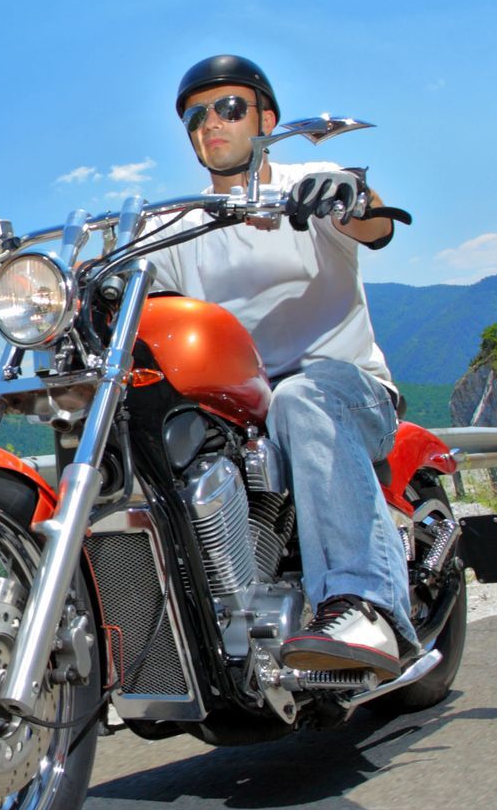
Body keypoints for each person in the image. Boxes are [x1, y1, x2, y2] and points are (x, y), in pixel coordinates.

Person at [142, 54, 417, 681]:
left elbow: (372, 222)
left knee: (300, 397)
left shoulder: (308, 181)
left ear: (266, 118)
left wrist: (346, 195)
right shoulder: (173, 224)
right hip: (247, 412)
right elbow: (131, 298)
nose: (210, 123)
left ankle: (364, 604)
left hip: (345, 391)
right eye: (195, 116)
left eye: (229, 108)